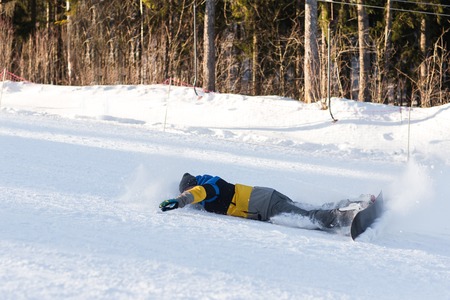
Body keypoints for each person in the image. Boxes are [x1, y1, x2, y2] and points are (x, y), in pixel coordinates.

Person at [160, 173, 371, 231]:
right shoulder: (212, 184)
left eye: (187, 189)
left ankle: (349, 218)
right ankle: (359, 202)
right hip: (266, 197)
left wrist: (179, 201)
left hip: (264, 204)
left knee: (310, 217)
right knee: (308, 209)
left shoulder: (208, 187)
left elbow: (196, 193)